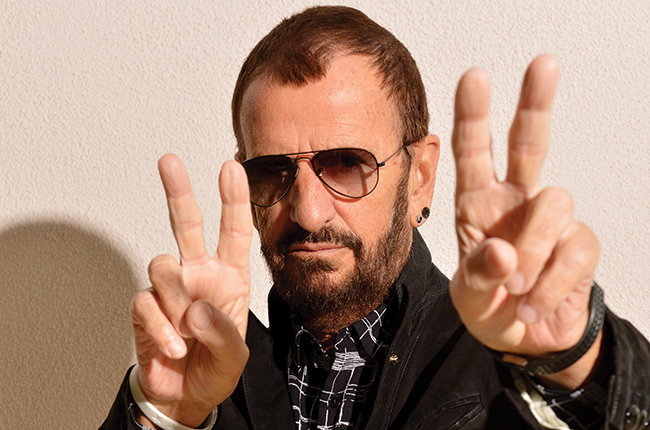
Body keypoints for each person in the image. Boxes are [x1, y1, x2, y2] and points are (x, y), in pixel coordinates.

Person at [102, 6, 650, 430]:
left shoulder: (512, 363)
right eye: (273, 171)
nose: (309, 213)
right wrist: (165, 414)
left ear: (419, 177)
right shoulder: (210, 378)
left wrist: (582, 365)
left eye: (346, 164)